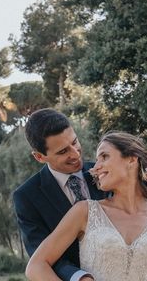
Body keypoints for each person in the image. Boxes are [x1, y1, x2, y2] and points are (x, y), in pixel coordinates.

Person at [25, 131, 147, 281]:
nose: (95, 167)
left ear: (131, 159)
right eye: (97, 159)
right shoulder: (85, 211)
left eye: (104, 156)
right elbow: (36, 266)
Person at [13, 108, 107, 281]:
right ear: (40, 157)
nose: (75, 153)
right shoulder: (27, 197)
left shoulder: (106, 172)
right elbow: (41, 256)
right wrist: (80, 277)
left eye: (75, 142)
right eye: (63, 152)